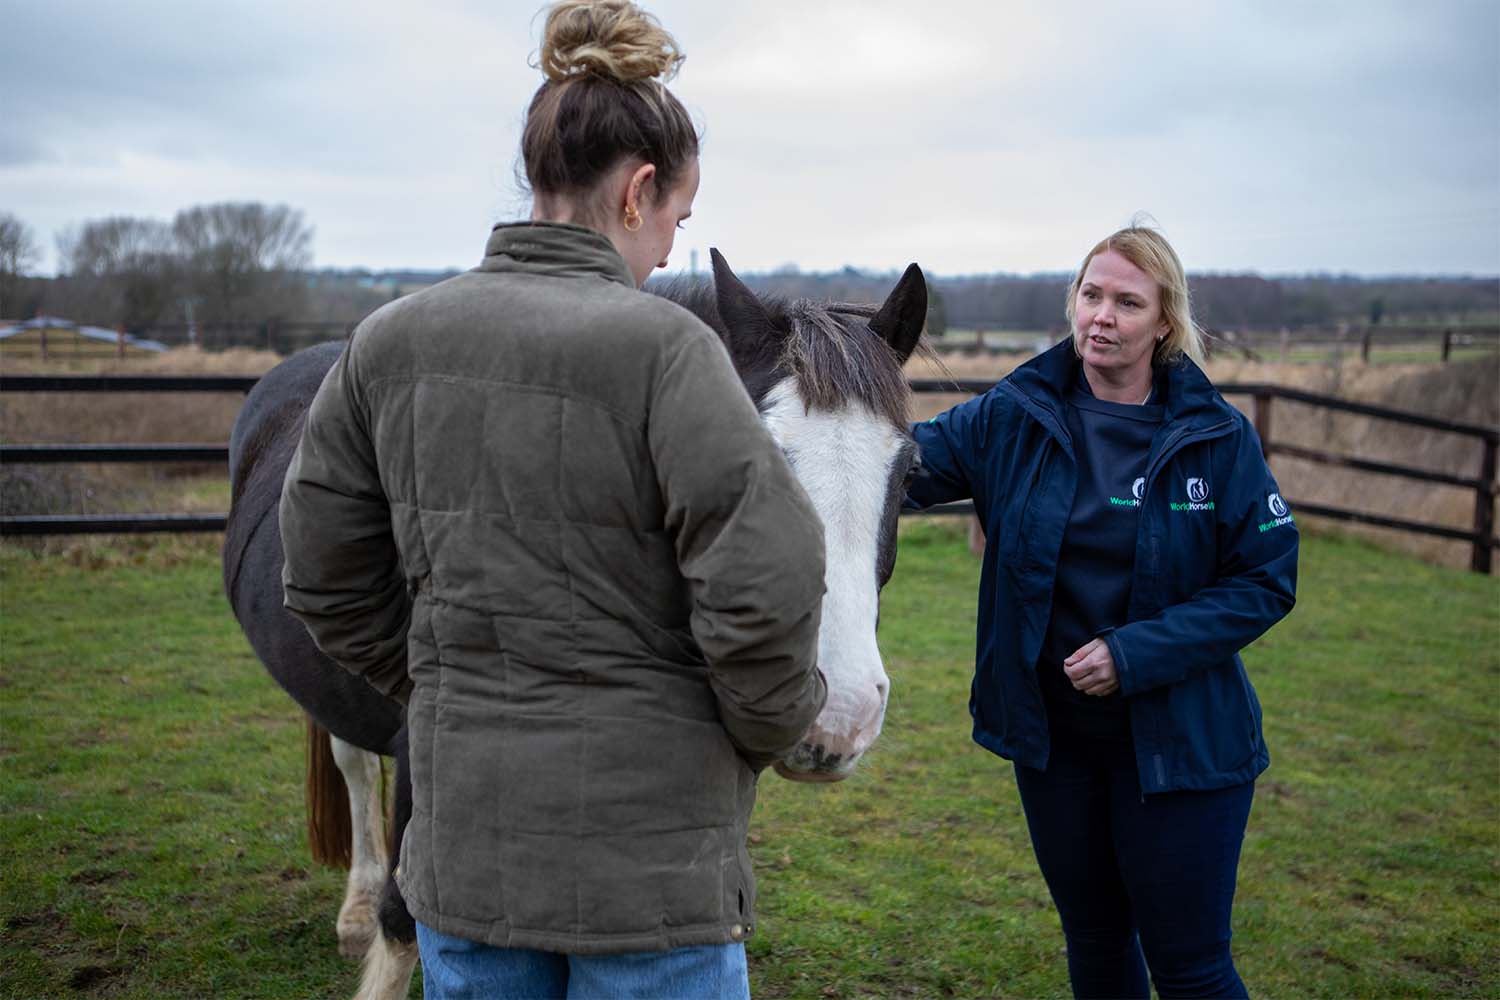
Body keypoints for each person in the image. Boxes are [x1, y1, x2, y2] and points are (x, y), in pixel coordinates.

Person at [277, 2, 828, 997]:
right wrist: (759, 732)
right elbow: (771, 586)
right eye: (676, 221)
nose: (667, 250)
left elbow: (318, 570)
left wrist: (447, 686)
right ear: (639, 192)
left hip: (465, 869)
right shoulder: (671, 353)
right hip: (653, 881)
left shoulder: (391, 342)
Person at [907, 224, 1298, 999]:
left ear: (1165, 321)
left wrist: (1134, 653)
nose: (1102, 316)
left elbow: (1264, 580)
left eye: (1127, 301)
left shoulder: (1218, 439)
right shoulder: (1011, 416)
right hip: (1056, 748)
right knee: (1093, 941)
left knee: (1190, 968)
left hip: (1182, 749)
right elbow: (895, 467)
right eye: (1091, 295)